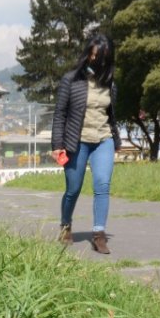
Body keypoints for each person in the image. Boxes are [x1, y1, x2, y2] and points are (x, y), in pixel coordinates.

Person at [50, 33, 120, 254]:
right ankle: (65, 225)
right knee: (73, 189)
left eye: (102, 57)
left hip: (103, 140)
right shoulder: (71, 80)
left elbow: (111, 115)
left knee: (102, 186)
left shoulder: (110, 84)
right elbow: (60, 114)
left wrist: (116, 140)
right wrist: (56, 145)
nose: (97, 60)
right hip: (76, 142)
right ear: (88, 54)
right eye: (94, 55)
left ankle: (99, 235)